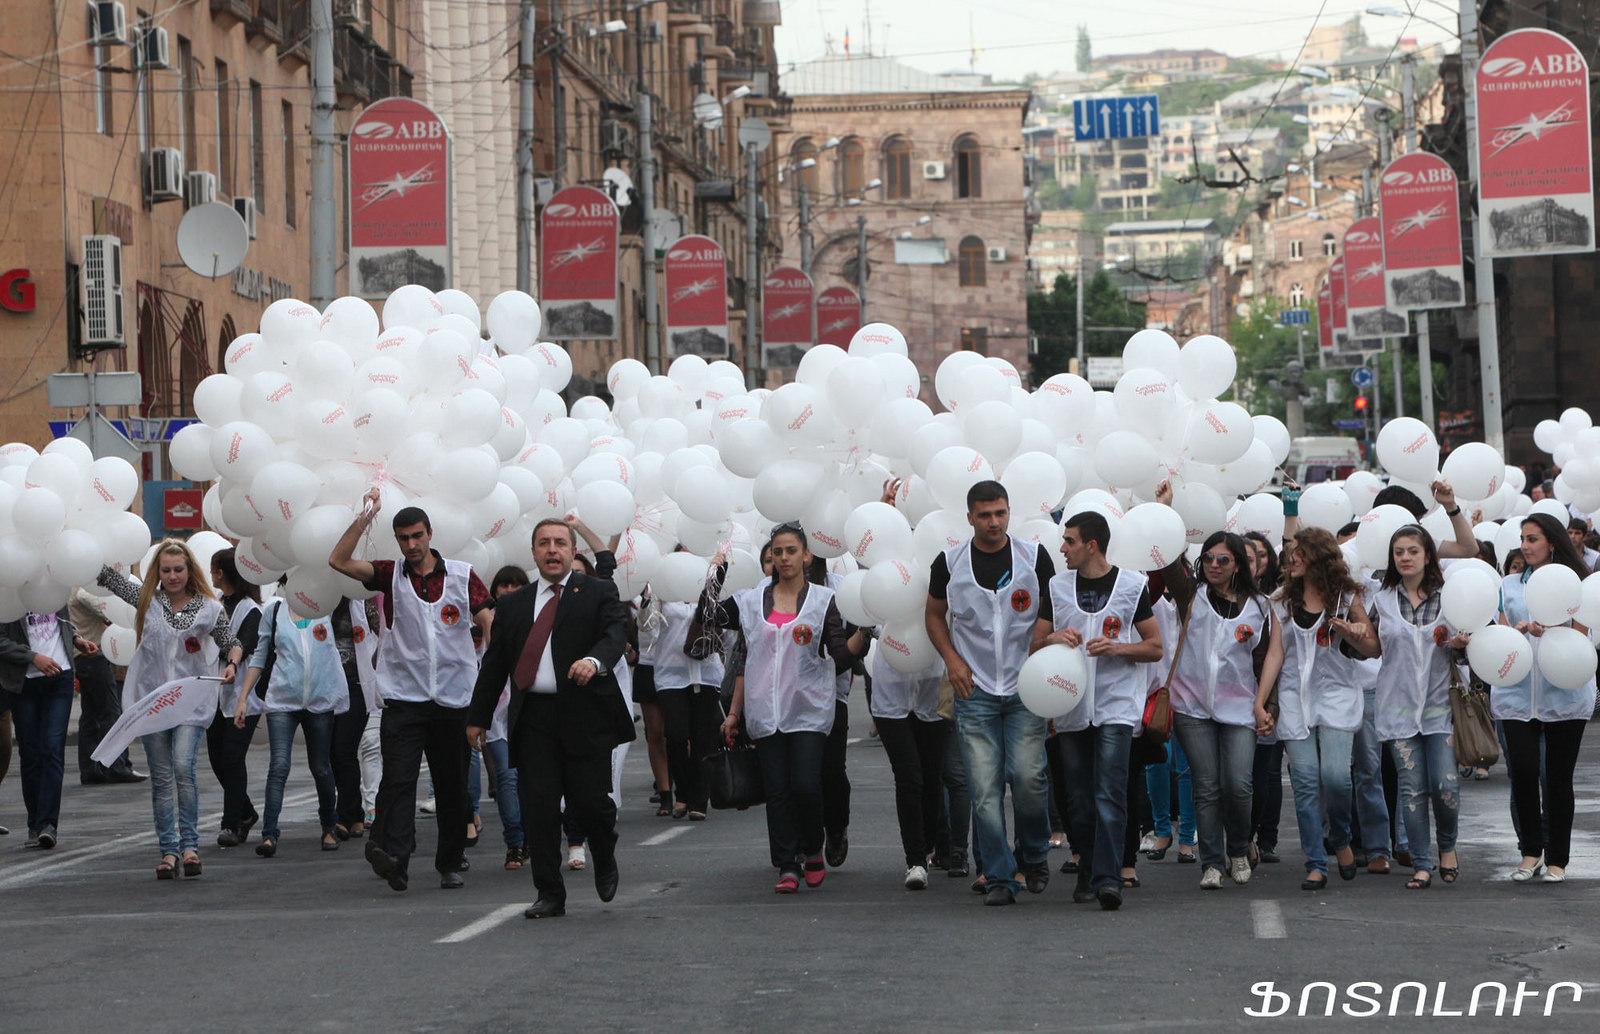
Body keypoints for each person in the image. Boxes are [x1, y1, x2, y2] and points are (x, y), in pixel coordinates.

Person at [468, 518, 634, 919]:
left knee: (591, 803)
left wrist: (595, 662)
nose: (552, 550)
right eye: (544, 543)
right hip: (534, 719)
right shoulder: (513, 604)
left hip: (583, 713)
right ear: (534, 552)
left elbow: (614, 635)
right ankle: (549, 892)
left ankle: (604, 853)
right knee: (538, 808)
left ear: (573, 549)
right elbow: (494, 666)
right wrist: (478, 718)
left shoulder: (597, 592)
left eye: (560, 543)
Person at [329, 489, 492, 892]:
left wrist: (491, 668)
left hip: (454, 699)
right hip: (405, 698)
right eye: (403, 538)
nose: (412, 545)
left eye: (418, 536)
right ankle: (396, 859)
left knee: (451, 784)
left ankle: (450, 861)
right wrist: (366, 515)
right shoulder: (390, 574)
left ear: (430, 534)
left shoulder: (460, 574)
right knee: (398, 779)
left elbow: (489, 617)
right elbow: (338, 561)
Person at [707, 524, 869, 894]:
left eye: (791, 551)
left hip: (808, 709)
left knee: (807, 786)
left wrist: (865, 631)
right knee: (777, 790)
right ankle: (787, 864)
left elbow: (839, 657)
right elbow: (711, 616)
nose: (784, 558)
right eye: (777, 552)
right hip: (765, 711)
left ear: (806, 556)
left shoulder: (824, 600)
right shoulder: (750, 600)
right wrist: (716, 572)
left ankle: (812, 848)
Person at [925, 480, 1057, 907]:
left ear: (1009, 512)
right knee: (983, 790)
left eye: (1000, 513)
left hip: (1025, 689)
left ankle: (1034, 854)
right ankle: (1000, 875)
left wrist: (1042, 634)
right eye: (984, 515)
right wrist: (951, 659)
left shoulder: (1033, 556)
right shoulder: (949, 562)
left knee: (1028, 778)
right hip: (975, 688)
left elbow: (1051, 607)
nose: (994, 522)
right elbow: (933, 614)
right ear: (970, 518)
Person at [1032, 510, 1164, 911]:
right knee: (1078, 796)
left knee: (1110, 791)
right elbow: (1035, 644)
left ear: (1091, 545)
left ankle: (1109, 879)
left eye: (1069, 541)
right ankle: (1088, 866)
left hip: (1116, 705)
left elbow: (1155, 646)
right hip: (1070, 704)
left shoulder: (1131, 585)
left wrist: (1118, 648)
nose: (1062, 548)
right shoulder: (1056, 587)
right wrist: (1054, 637)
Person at [98, 540, 244, 879]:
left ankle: (190, 846)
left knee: (183, 766)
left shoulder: (209, 607)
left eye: (179, 569)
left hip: (189, 704)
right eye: (167, 570)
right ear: (157, 572)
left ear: (189, 570)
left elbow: (231, 643)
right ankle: (169, 851)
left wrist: (232, 664)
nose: (173, 575)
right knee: (162, 778)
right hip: (150, 703)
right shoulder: (146, 600)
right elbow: (108, 576)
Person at [1257, 528, 1374, 890]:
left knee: (1336, 778)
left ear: (1318, 558)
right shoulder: (1281, 601)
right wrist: (1260, 702)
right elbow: (1276, 652)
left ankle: (1340, 837)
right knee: (1305, 783)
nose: (1291, 559)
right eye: (1291, 553)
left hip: (1337, 697)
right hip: (1295, 700)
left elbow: (1372, 647)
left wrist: (1352, 631)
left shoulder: (1346, 597)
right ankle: (1315, 862)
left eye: (1299, 554)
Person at [1165, 530, 1275, 891]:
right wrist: (1164, 511)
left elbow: (1265, 662)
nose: (1214, 565)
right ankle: (1211, 862)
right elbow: (1166, 564)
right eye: (1209, 558)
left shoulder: (1259, 606)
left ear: (1238, 565)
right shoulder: (1191, 595)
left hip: (1240, 708)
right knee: (1207, 786)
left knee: (1239, 785)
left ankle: (1239, 849)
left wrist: (1265, 707)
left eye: (1223, 560)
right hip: (1190, 706)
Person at [1489, 513, 1594, 883]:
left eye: (1533, 539)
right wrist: (1516, 632)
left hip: (1564, 696)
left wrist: (1550, 630)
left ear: (1551, 542)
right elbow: (1498, 631)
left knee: (1557, 779)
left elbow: (1581, 635)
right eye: (1522, 538)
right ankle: (1530, 852)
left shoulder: (1574, 584)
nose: (1525, 545)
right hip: (1516, 696)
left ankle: (1558, 860)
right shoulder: (1508, 584)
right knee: (1523, 773)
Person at [1361, 524, 1467, 890]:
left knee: (1445, 784)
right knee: (1412, 789)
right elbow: (1372, 648)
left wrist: (1460, 644)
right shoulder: (1382, 599)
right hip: (1397, 707)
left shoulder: (1451, 596)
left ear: (1427, 556)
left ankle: (1448, 847)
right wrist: (1351, 635)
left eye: (1412, 551)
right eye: (1398, 552)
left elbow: (1471, 651)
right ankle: (1422, 863)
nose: (1405, 558)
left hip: (1440, 707)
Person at [233, 591, 347, 856]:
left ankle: (329, 826)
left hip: (320, 701)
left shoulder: (327, 606)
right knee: (279, 766)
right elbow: (260, 657)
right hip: (282, 700)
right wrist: (242, 699)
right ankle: (270, 834)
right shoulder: (274, 612)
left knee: (321, 767)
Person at [0, 606, 99, 848]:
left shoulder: (54, 581)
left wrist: (75, 639)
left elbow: (61, 622)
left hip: (60, 678)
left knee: (52, 750)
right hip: (25, 683)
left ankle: (48, 825)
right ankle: (35, 824)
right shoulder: (9, 590)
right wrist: (32, 657)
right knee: (31, 753)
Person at [646, 551, 724, 822]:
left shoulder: (710, 589)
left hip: (706, 672)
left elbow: (724, 622)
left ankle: (698, 799)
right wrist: (647, 599)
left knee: (704, 737)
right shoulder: (660, 590)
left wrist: (717, 573)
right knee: (676, 735)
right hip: (671, 674)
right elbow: (647, 628)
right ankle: (683, 790)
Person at [209, 550, 263, 848]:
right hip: (215, 694)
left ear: (221, 572)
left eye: (213, 569)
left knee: (232, 758)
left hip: (243, 695)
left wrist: (228, 657)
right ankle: (247, 811)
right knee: (217, 760)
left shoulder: (250, 609)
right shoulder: (216, 604)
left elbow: (244, 643)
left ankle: (231, 824)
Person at [481, 566, 531, 871]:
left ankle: (532, 835)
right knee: (506, 777)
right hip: (498, 715)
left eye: (516, 586)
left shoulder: (538, 618)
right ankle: (514, 842)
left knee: (530, 780)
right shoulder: (485, 618)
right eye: (504, 586)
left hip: (530, 709)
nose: (509, 591)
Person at [68, 587, 144, 784]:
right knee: (110, 712)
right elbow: (108, 611)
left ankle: (90, 769)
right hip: (94, 655)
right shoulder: (83, 591)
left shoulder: (70, 589)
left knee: (90, 715)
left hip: (82, 658)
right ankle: (116, 766)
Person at [329, 598, 379, 841]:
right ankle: (351, 813)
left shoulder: (361, 600)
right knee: (330, 753)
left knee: (344, 750)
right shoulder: (318, 598)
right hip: (326, 686)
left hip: (357, 685)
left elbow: (384, 632)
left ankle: (346, 815)